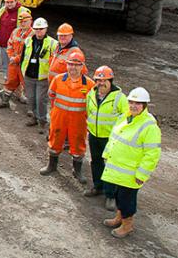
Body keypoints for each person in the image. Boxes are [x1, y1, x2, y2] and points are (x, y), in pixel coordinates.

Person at [101, 87, 162, 238]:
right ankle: (119, 218)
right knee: (118, 195)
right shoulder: (124, 117)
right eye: (131, 102)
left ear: (144, 106)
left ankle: (127, 225)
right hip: (118, 169)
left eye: (138, 103)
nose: (133, 106)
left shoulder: (150, 127)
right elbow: (114, 138)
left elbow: (152, 154)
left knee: (127, 200)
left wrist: (142, 174)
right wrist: (107, 154)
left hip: (131, 173)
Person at [40, 51, 95, 184]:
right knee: (55, 141)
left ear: (82, 66)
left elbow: (92, 105)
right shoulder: (58, 79)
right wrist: (58, 112)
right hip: (59, 118)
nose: (73, 67)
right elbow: (51, 95)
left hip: (78, 121)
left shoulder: (90, 85)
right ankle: (52, 165)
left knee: (78, 144)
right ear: (67, 65)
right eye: (71, 64)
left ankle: (77, 171)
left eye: (77, 65)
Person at [83, 66, 129, 211]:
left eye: (104, 80)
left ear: (111, 81)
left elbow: (127, 119)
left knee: (110, 166)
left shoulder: (120, 98)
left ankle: (110, 195)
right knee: (96, 161)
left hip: (111, 139)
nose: (101, 83)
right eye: (98, 80)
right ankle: (98, 186)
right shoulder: (91, 94)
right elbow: (88, 111)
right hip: (94, 135)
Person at [21, 17, 57, 133]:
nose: (39, 31)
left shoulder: (52, 43)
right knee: (31, 98)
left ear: (46, 29)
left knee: (41, 100)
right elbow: (23, 57)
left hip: (42, 77)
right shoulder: (28, 40)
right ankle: (34, 118)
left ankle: (42, 122)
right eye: (36, 29)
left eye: (41, 29)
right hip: (29, 75)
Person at [0, 11, 33, 110]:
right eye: (21, 21)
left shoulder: (33, 34)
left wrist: (16, 58)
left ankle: (33, 109)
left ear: (30, 21)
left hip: (25, 64)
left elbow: (29, 51)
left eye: (25, 21)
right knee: (10, 82)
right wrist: (11, 56)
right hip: (14, 63)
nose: (22, 23)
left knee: (27, 85)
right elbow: (9, 44)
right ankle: (5, 101)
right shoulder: (15, 31)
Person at [0, 0, 30, 83]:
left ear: (16, 1)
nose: (9, 4)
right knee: (5, 67)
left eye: (11, 2)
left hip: (16, 47)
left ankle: (18, 90)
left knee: (17, 68)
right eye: (7, 2)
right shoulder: (2, 10)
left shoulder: (23, 12)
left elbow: (29, 30)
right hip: (3, 44)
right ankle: (7, 85)